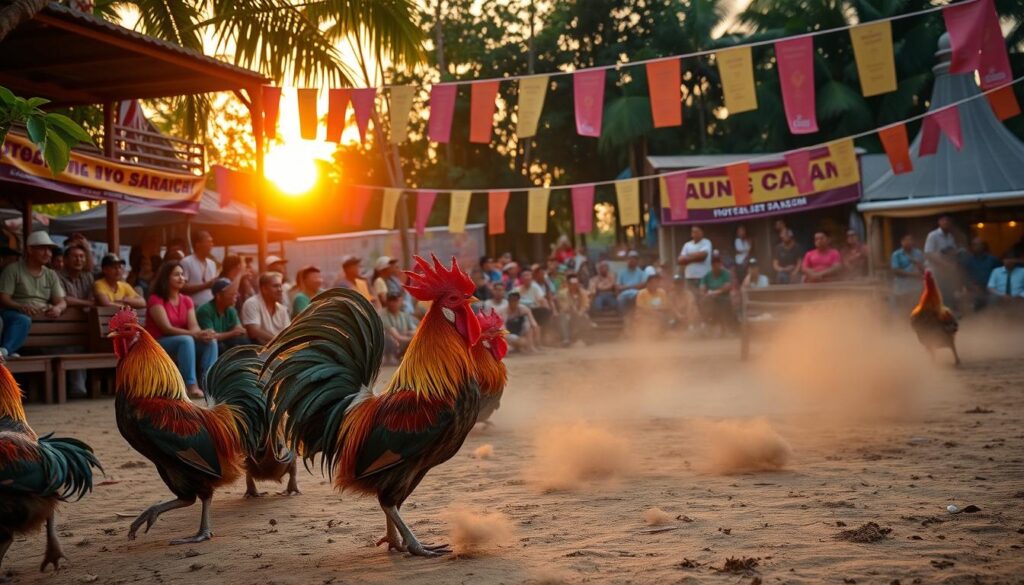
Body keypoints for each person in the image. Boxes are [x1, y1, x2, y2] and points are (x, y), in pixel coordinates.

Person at [145, 260, 217, 399]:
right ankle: (191, 386)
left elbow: (194, 326)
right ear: (166, 278)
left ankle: (209, 384)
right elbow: (166, 328)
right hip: (157, 343)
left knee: (210, 341)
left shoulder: (186, 300)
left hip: (183, 340)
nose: (181, 278)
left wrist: (202, 333)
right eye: (176, 274)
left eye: (182, 274)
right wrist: (194, 334)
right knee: (187, 340)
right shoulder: (155, 299)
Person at [0, 231, 66, 361]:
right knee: (23, 320)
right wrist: (21, 306)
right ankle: (5, 351)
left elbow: (61, 301)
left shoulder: (51, 274)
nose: (48, 253)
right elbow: (4, 298)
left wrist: (58, 308)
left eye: (50, 249)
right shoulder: (13, 270)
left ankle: (8, 350)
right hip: (14, 315)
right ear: (30, 249)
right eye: (42, 248)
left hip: (43, 323)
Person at [196, 278, 248, 354]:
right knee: (220, 346)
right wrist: (233, 333)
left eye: (235, 293)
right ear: (219, 296)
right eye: (231, 293)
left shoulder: (231, 309)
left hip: (224, 342)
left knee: (243, 342)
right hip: (207, 346)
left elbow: (239, 329)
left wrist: (237, 331)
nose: (235, 296)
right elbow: (210, 336)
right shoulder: (205, 310)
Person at [241, 272, 292, 345]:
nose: (280, 289)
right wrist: (278, 341)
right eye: (275, 286)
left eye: (280, 286)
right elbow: (253, 331)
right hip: (258, 350)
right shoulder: (252, 303)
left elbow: (288, 333)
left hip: (279, 349)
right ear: (264, 289)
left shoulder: (282, 309)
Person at [924, 215, 962, 305]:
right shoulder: (933, 235)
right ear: (939, 222)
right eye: (944, 220)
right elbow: (929, 253)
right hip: (935, 271)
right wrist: (945, 264)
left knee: (947, 293)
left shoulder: (950, 237)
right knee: (935, 293)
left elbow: (952, 253)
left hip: (947, 272)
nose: (946, 222)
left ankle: (946, 314)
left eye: (948, 220)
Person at [180, 230, 219, 306]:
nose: (212, 244)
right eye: (208, 242)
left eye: (212, 242)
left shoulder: (212, 263)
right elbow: (182, 288)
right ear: (198, 244)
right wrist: (205, 286)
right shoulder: (186, 262)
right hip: (193, 309)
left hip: (210, 308)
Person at [700, 252, 734, 335]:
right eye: (714, 263)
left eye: (718, 262)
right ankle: (707, 325)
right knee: (705, 301)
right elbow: (702, 288)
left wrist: (716, 292)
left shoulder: (726, 274)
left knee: (722, 302)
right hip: (711, 300)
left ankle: (725, 327)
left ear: (720, 263)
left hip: (724, 299)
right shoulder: (707, 275)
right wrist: (707, 293)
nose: (716, 265)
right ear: (711, 265)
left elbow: (727, 287)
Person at [380, 291, 419, 364]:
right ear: (387, 302)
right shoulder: (383, 314)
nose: (392, 303)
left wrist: (409, 333)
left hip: (401, 343)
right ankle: (390, 357)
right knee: (388, 338)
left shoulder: (404, 315)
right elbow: (397, 337)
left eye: (395, 300)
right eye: (390, 300)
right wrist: (411, 338)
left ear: (401, 301)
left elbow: (416, 331)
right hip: (390, 344)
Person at [962, 238, 1001, 311]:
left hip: (990, 289)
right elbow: (964, 276)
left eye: (978, 244)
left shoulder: (993, 260)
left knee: (994, 299)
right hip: (975, 289)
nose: (975, 247)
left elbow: (1000, 275)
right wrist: (970, 286)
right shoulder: (968, 261)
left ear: (984, 246)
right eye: (973, 245)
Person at [890, 234, 925, 311]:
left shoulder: (918, 253)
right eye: (906, 240)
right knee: (903, 311)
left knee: (917, 310)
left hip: (916, 288)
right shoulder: (896, 255)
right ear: (902, 242)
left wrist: (918, 265)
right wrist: (913, 275)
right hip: (902, 289)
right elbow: (895, 270)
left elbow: (924, 269)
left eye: (910, 240)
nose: (909, 242)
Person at [556, 274, 592, 346]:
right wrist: (572, 309)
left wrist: (580, 312)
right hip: (567, 312)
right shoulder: (562, 293)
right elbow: (563, 306)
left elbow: (586, 305)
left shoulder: (583, 292)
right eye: (573, 284)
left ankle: (586, 338)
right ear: (568, 285)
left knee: (585, 317)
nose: (575, 286)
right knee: (564, 317)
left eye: (576, 284)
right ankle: (566, 339)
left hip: (579, 312)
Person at [58, 243, 95, 308]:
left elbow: (93, 298)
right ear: (65, 260)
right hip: (64, 316)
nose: (78, 260)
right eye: (74, 256)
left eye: (81, 256)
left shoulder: (88, 276)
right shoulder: (57, 276)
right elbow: (63, 299)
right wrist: (88, 303)